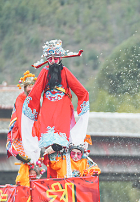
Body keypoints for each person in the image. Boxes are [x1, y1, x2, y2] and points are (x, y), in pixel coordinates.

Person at [20, 40, 90, 178]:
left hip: (63, 105)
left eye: (55, 58)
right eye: (50, 59)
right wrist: (29, 109)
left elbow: (81, 91)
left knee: (62, 137)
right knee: (48, 138)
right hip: (47, 106)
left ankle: (63, 162)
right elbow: (35, 92)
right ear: (47, 60)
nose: (52, 61)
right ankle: (52, 166)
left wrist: (83, 107)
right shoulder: (44, 72)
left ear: (60, 58)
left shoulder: (65, 72)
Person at [8, 71, 37, 163]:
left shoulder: (36, 97)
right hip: (21, 122)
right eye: (28, 86)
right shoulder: (21, 97)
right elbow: (20, 114)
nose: (31, 89)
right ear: (25, 88)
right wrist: (22, 131)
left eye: (32, 86)